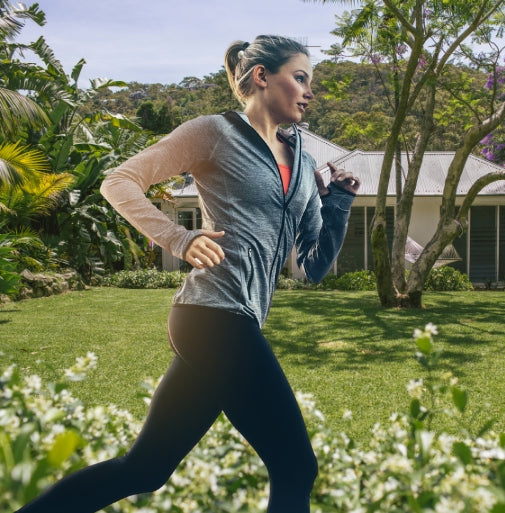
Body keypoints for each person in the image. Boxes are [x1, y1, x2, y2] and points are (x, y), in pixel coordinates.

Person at [16, 35, 359, 513]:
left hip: (233, 322)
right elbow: (120, 181)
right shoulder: (214, 132)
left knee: (146, 469)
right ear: (262, 76)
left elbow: (314, 268)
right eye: (300, 77)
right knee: (296, 467)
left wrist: (338, 202)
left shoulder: (301, 164)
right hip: (211, 315)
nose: (309, 91)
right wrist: (180, 239)